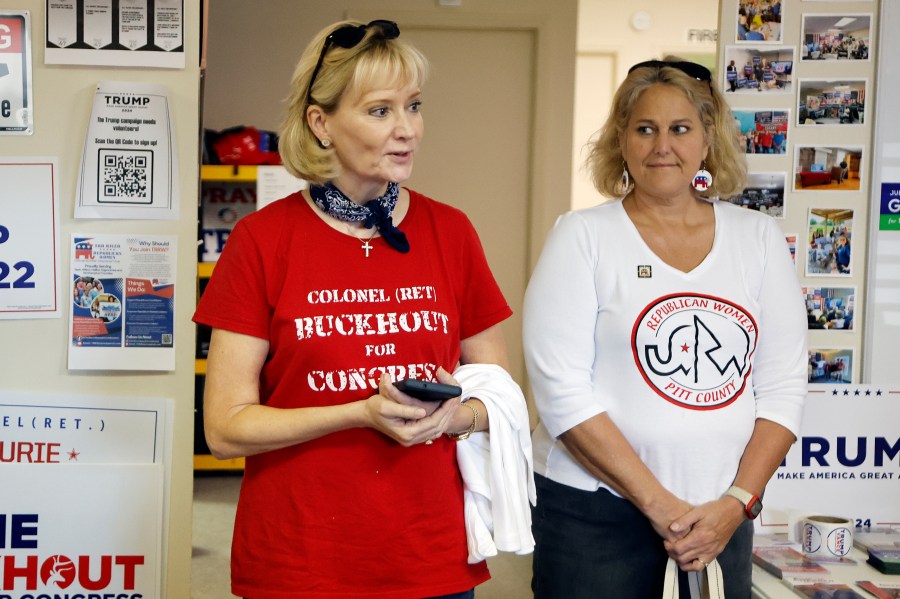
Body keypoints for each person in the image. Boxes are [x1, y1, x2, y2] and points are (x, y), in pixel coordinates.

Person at [193, 19, 527, 598]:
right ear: (321, 123)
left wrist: (452, 416)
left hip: (429, 557)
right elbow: (224, 428)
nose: (408, 131)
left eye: (414, 106)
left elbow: (498, 397)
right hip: (297, 560)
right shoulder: (261, 240)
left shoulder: (450, 232)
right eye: (380, 111)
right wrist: (358, 412)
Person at [523, 58, 807, 598]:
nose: (662, 146)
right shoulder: (582, 236)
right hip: (594, 517)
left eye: (680, 129)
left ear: (707, 140)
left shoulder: (758, 238)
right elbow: (560, 392)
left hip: (723, 517)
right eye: (644, 129)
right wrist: (661, 507)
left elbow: (783, 388)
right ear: (622, 141)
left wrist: (737, 502)